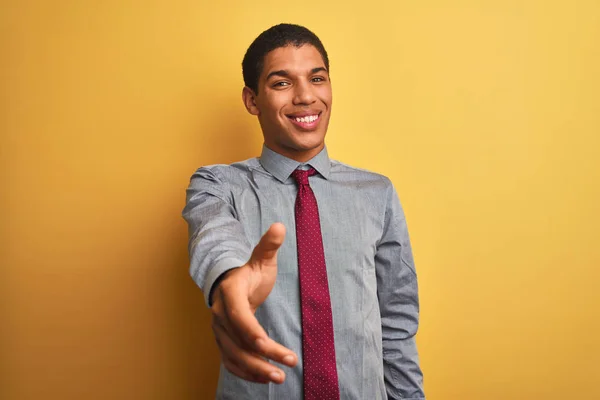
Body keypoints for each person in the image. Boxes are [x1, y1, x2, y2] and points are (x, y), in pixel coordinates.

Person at [183, 23, 425, 400]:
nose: (305, 96)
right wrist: (231, 282)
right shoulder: (218, 185)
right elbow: (213, 238)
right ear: (252, 100)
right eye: (282, 83)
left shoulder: (377, 193)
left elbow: (396, 328)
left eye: (317, 78)